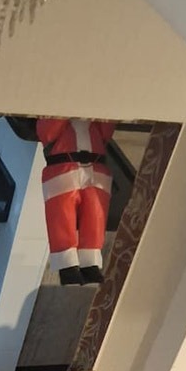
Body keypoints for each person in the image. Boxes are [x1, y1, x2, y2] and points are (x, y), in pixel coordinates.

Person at [36, 118, 115, 285]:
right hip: (64, 169)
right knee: (62, 218)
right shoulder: (51, 116)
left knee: (96, 217)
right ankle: (67, 266)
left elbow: (107, 130)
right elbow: (47, 132)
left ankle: (90, 263)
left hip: (95, 168)